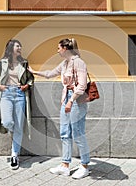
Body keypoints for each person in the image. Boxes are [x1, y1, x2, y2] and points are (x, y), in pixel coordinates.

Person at [28, 38, 90, 179]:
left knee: (78, 133)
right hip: (67, 98)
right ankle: (65, 165)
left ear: (65, 48)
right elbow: (50, 73)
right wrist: (34, 72)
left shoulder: (79, 63)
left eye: (58, 48)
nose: (57, 50)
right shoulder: (65, 63)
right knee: (64, 133)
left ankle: (85, 165)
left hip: (76, 100)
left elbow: (82, 85)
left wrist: (71, 101)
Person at [0, 39, 34, 170]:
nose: (20, 47)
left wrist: (26, 85)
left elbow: (31, 78)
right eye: (17, 45)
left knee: (19, 127)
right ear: (11, 48)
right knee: (7, 122)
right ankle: (13, 131)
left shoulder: (24, 63)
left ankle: (14, 155)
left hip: (20, 94)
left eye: (20, 45)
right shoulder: (2, 62)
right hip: (6, 94)